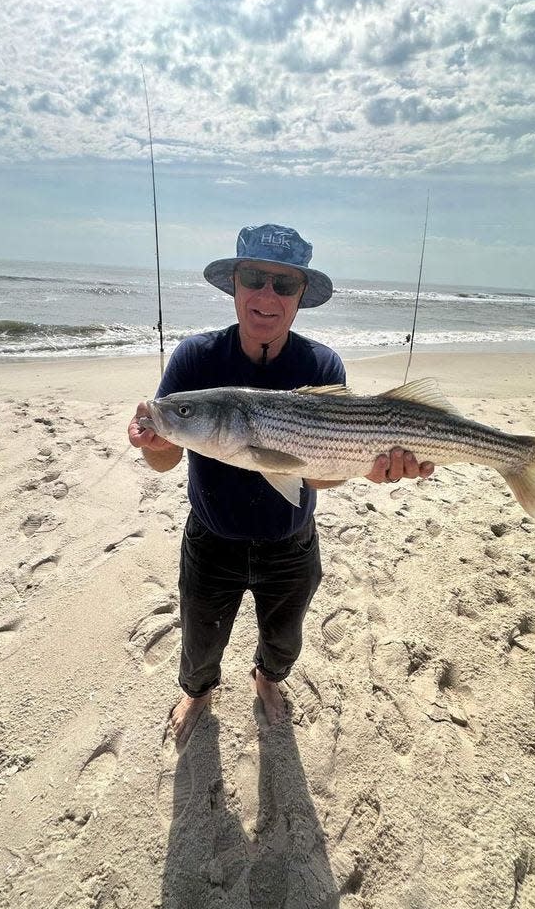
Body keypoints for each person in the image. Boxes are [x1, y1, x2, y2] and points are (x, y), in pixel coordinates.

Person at [128, 223, 434, 744]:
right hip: (210, 540)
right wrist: (158, 442)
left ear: (299, 298)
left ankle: (267, 681)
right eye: (254, 277)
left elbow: (319, 473)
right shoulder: (193, 360)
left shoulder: (320, 364)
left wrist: (369, 467)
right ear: (235, 285)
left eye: (284, 284)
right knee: (200, 639)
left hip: (291, 543)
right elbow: (165, 461)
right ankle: (197, 691)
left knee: (283, 638)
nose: (267, 295)